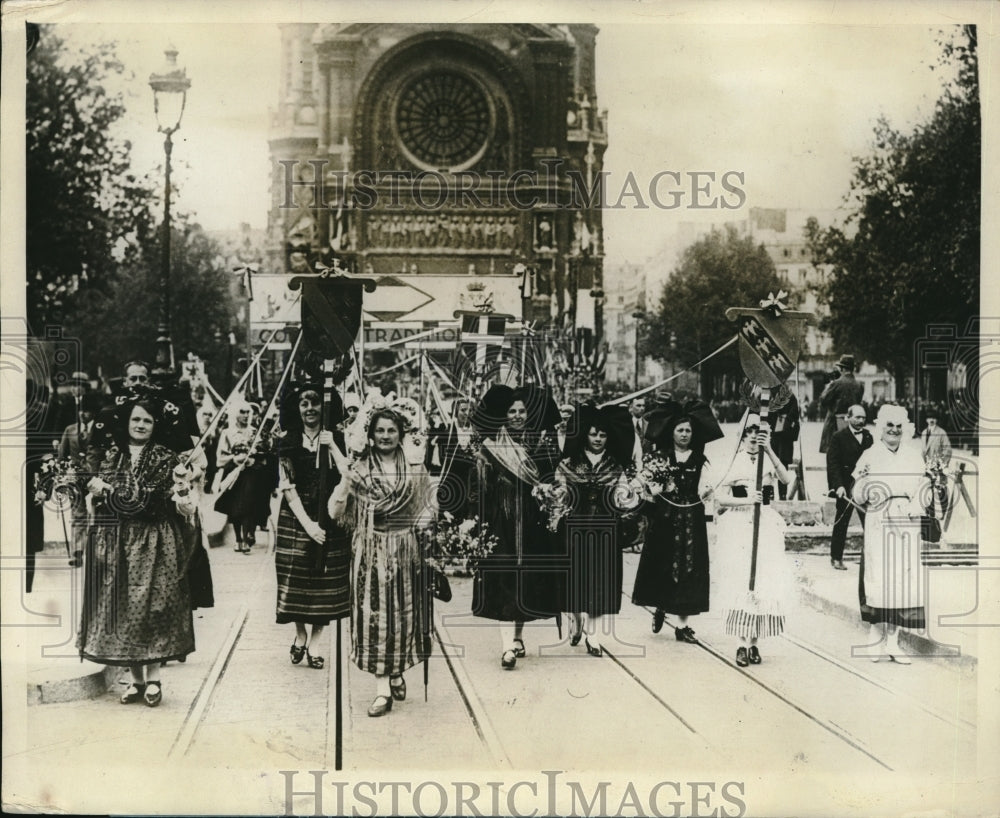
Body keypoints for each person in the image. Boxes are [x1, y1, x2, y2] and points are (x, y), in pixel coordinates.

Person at [78, 395, 198, 706]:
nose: (141, 425)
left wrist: (183, 491)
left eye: (147, 420)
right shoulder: (112, 457)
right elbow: (101, 501)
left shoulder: (167, 458)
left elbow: (170, 502)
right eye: (136, 419)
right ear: (127, 423)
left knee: (154, 606)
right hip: (118, 540)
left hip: (155, 541)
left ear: (155, 425)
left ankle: (155, 677)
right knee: (125, 607)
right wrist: (97, 494)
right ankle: (135, 680)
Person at [329, 407, 435, 717]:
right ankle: (381, 690)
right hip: (371, 550)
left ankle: (397, 669)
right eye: (380, 431)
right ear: (370, 435)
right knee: (373, 617)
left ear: (401, 433)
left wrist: (426, 521)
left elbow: (428, 503)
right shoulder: (359, 468)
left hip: (405, 549)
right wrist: (345, 480)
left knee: (403, 615)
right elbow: (336, 512)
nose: (385, 436)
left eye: (391, 430)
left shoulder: (415, 467)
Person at [471, 385, 562, 670]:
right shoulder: (492, 444)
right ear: (503, 415)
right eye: (512, 411)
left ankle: (518, 637)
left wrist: (548, 491)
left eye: (522, 411)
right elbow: (478, 486)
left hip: (532, 520)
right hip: (501, 519)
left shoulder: (541, 442)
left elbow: (552, 475)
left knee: (524, 579)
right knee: (503, 578)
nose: (518, 416)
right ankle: (506, 647)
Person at [274, 384, 351, 670]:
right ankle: (300, 633)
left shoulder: (337, 438)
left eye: (315, 403)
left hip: (331, 513)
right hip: (297, 516)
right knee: (296, 574)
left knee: (325, 580)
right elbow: (287, 487)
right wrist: (308, 526)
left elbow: (348, 474)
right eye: (304, 404)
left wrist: (331, 444)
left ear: (324, 408)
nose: (309, 409)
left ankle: (316, 643)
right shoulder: (287, 440)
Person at [631, 405, 716, 645]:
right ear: (671, 432)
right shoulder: (660, 457)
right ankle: (661, 605)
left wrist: (707, 492)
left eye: (688, 430)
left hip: (691, 519)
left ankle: (683, 625)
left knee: (690, 568)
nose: (684, 434)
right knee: (664, 564)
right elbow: (642, 484)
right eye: (680, 430)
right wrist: (652, 489)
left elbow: (706, 486)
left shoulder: (700, 459)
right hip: (665, 518)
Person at [852, 404, 928, 665]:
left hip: (905, 522)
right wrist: (862, 483)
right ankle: (875, 637)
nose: (894, 430)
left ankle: (894, 642)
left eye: (898, 426)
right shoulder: (869, 455)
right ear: (880, 428)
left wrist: (915, 507)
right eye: (889, 426)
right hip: (879, 520)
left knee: (902, 580)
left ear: (904, 428)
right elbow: (857, 495)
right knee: (878, 578)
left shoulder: (914, 456)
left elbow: (923, 490)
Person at [556, 404, 634, 656]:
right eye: (593, 434)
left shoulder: (615, 466)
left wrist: (629, 497)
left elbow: (623, 498)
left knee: (602, 582)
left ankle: (594, 635)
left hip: (606, 532)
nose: (598, 439)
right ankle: (577, 620)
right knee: (576, 581)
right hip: (575, 530)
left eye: (602, 435)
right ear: (584, 436)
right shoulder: (568, 464)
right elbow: (560, 496)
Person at [716, 416, 793, 667]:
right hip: (740, 523)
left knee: (763, 578)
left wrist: (769, 449)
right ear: (742, 434)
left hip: (765, 523)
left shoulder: (768, 459)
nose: (753, 436)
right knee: (741, 579)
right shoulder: (734, 461)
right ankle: (741, 642)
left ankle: (755, 642)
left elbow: (786, 479)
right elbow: (719, 498)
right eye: (749, 431)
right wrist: (748, 500)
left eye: (758, 432)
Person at [825, 404, 873, 570]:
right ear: (849, 417)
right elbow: (833, 463)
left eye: (863, 418)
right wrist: (838, 486)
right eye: (857, 417)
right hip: (845, 487)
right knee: (842, 522)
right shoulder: (838, 437)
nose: (861, 421)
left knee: (870, 522)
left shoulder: (868, 437)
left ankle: (871, 558)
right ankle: (836, 557)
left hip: (864, 488)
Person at [818, 355, 865, 454]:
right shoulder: (859, 385)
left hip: (834, 423)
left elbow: (823, 400)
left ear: (842, 368)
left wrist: (829, 385)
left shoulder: (836, 383)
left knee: (833, 453)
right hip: (852, 423)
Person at [921, 410, 953, 522]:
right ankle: (931, 513)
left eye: (933, 418)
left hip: (938, 467)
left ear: (937, 420)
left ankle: (944, 513)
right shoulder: (924, 432)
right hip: (928, 467)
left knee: (941, 490)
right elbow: (923, 451)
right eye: (929, 418)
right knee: (928, 489)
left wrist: (941, 464)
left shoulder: (941, 432)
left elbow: (948, 450)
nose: (931, 420)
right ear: (926, 420)